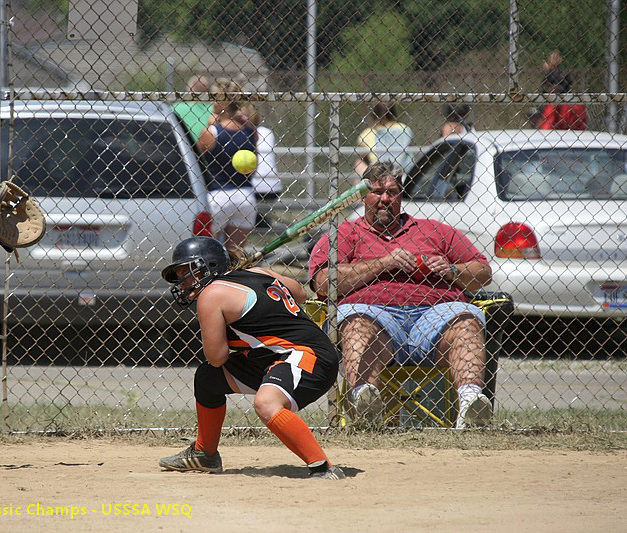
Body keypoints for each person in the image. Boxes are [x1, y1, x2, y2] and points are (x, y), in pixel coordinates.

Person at [307, 162, 494, 429]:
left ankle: (471, 404)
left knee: (465, 321)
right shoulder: (345, 233)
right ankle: (365, 401)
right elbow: (324, 282)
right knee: (358, 323)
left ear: (401, 196)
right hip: (374, 317)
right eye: (377, 191)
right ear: (363, 196)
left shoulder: (434, 230)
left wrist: (452, 270)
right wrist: (384, 263)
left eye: (392, 192)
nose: (385, 198)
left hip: (435, 318)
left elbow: (483, 271)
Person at [159, 236, 345, 479]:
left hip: (307, 357)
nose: (183, 282)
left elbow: (217, 356)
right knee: (209, 378)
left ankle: (324, 468)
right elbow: (299, 294)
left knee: (266, 403)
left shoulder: (211, 295)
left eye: (188, 271)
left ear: (211, 267)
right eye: (180, 274)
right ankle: (205, 454)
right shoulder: (259, 272)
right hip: (284, 355)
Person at [197, 79, 258, 251]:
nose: (212, 102)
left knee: (208, 252)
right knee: (236, 255)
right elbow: (254, 166)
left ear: (223, 103)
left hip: (218, 196)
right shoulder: (250, 131)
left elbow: (195, 160)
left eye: (215, 98)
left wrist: (211, 125)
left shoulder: (211, 132)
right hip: (245, 195)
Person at [242, 103, 282, 229]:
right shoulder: (267, 132)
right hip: (274, 186)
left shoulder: (242, 133)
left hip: (252, 186)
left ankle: (258, 223)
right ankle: (262, 222)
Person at [355, 102, 413, 178]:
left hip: (377, 173)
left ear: (373, 115)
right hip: (404, 172)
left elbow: (363, 158)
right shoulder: (405, 129)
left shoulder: (368, 133)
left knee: (358, 162)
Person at [537, 50, 587, 131]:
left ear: (560, 59)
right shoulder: (547, 74)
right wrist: (550, 88)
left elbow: (568, 87)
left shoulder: (563, 73)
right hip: (549, 100)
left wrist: (558, 89)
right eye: (553, 58)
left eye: (557, 58)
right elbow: (543, 87)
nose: (555, 60)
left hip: (562, 100)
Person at [173, 75, 213, 143]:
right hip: (207, 145)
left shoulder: (176, 108)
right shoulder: (213, 108)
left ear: (189, 89)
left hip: (182, 144)